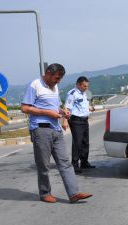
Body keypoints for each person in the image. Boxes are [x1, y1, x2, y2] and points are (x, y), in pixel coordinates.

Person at [21, 63, 93, 203]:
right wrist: (46, 113)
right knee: (44, 164)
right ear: (48, 73)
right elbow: (25, 108)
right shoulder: (34, 85)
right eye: (56, 78)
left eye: (60, 79)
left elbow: (55, 106)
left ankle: (74, 193)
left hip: (56, 129)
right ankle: (45, 193)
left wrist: (62, 111)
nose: (58, 81)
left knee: (65, 162)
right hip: (41, 129)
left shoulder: (55, 87)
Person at [64, 76, 95, 173]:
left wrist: (90, 108)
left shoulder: (83, 93)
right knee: (77, 143)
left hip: (84, 120)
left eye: (87, 86)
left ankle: (84, 162)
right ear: (78, 84)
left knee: (85, 142)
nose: (86, 88)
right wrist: (64, 121)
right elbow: (67, 108)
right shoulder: (72, 94)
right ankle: (74, 164)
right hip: (76, 121)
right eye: (84, 86)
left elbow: (83, 105)